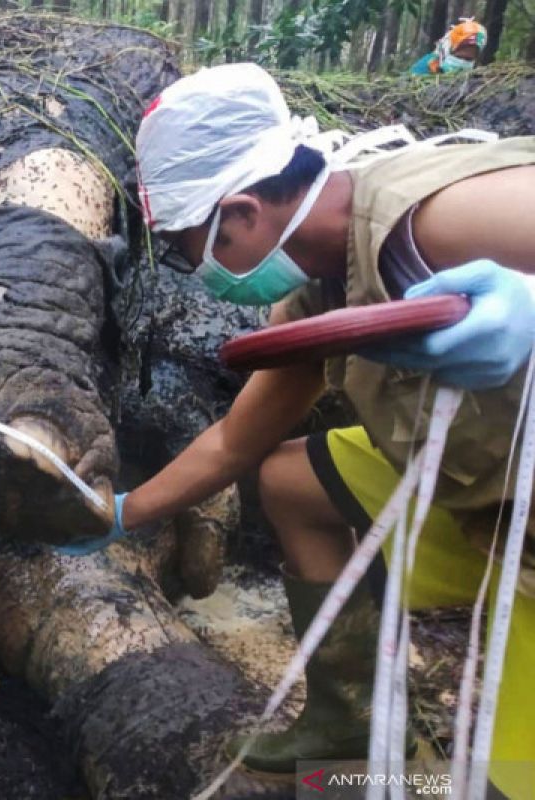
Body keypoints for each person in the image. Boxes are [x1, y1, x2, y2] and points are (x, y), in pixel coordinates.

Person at [80, 64, 535, 797]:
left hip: (524, 528)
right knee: (291, 478)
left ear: (241, 213)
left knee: (503, 785)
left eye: (197, 249)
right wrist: (120, 515)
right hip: (483, 488)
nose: (201, 273)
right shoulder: (321, 290)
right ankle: (345, 721)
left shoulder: (432, 219)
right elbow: (235, 442)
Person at [410, 18, 487, 75]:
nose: (462, 62)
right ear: (447, 49)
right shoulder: (424, 67)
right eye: (459, 57)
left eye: (468, 59)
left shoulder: (475, 78)